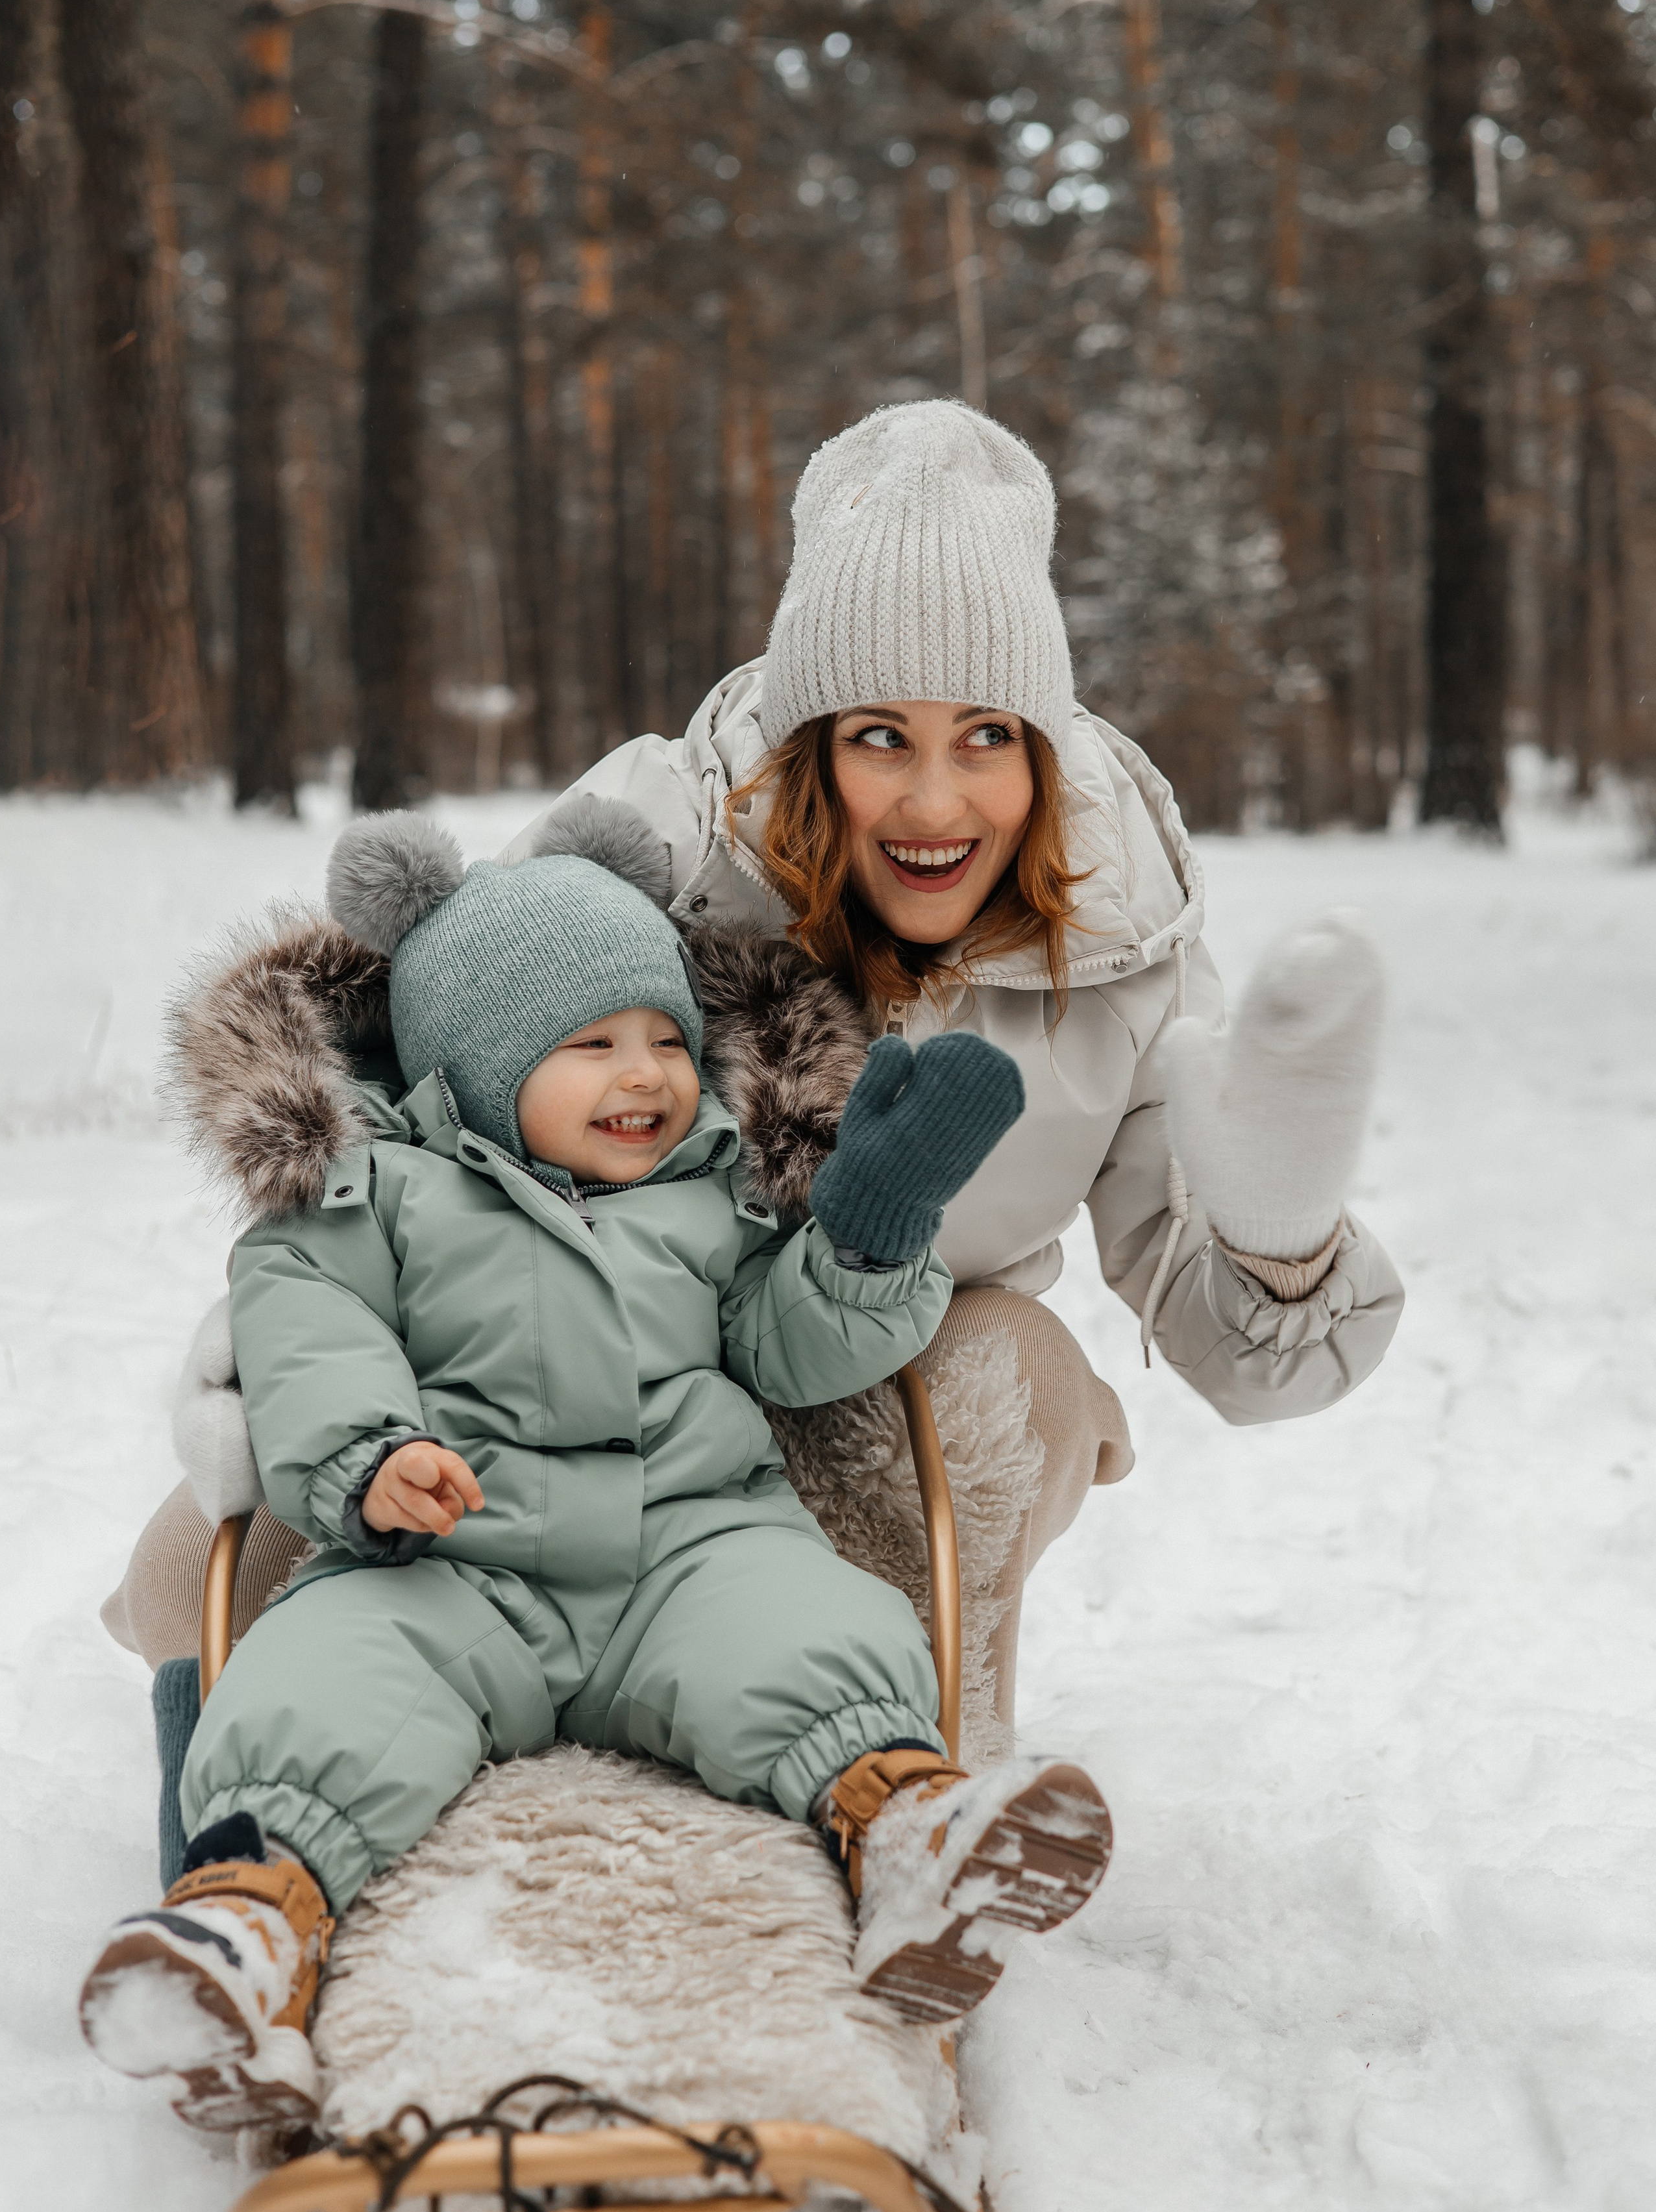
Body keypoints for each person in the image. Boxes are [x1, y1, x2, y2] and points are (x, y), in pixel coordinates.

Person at [104, 394, 1403, 1725]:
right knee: (184, 1585)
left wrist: (1277, 1235)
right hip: (564, 1339)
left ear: (1041, 743)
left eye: (986, 736)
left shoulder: (1127, 940)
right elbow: (435, 1033)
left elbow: (1235, 1356)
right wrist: (301, 1304)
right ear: (809, 742)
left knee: (1010, 1367)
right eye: (878, 736)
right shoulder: (660, 833)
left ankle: (921, 1743)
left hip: (881, 1380)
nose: (935, 801)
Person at [79, 802, 1113, 2133]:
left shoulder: (705, 1193)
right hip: (455, 1558)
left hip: (682, 1542)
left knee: (815, 1629)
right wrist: (368, 1459)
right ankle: (245, 1929)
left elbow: (792, 1351)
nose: (647, 1076)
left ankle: (906, 1831)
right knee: (322, 1680)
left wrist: (866, 1231)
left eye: (665, 1042)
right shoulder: (375, 1192)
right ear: (479, 1064)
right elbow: (309, 1328)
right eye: (594, 1045)